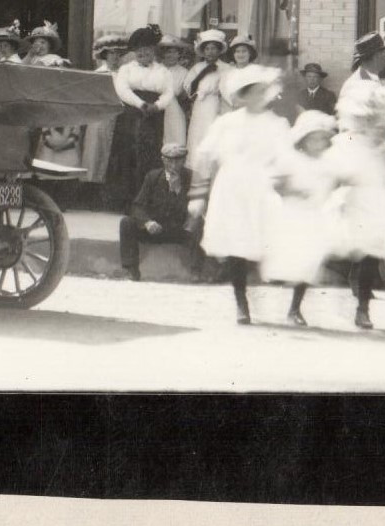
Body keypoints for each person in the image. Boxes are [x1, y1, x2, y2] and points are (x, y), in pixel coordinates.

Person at [197, 64, 288, 324]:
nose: (260, 97)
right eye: (254, 92)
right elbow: (205, 155)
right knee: (236, 244)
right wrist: (198, 193)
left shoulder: (276, 124)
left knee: (264, 241)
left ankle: (282, 299)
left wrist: (283, 183)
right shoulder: (227, 123)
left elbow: (285, 159)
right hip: (232, 189)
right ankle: (241, 302)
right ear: (243, 96)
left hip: (262, 188)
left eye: (262, 91)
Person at [320, 84, 385, 329]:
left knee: (370, 255)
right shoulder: (349, 138)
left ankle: (362, 309)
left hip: (378, 201)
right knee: (352, 250)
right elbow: (336, 163)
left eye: (375, 119)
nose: (372, 124)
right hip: (354, 199)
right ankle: (350, 285)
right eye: (365, 118)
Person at [265, 111, 339, 326]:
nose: (318, 144)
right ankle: (278, 280)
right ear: (303, 140)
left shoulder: (326, 163)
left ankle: (295, 308)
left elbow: (331, 185)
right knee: (288, 257)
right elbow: (276, 184)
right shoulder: (291, 160)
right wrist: (294, 192)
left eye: (322, 139)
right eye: (313, 139)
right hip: (291, 214)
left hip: (313, 217)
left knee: (307, 262)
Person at [111, 25, 185, 205]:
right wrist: (140, 104)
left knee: (150, 152)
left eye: (147, 49)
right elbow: (122, 89)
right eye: (139, 50)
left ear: (154, 51)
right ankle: (126, 199)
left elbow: (168, 92)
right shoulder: (126, 69)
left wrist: (157, 106)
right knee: (128, 152)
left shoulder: (162, 71)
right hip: (131, 112)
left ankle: (147, 199)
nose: (143, 53)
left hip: (154, 114)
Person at [118, 146, 195, 281]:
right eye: (169, 161)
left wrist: (178, 191)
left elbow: (196, 207)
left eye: (178, 161)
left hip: (180, 230)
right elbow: (137, 205)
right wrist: (147, 222)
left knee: (201, 224)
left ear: (184, 161)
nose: (174, 166)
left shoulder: (191, 178)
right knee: (126, 222)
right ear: (163, 160)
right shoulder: (153, 177)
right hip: (156, 229)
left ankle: (196, 272)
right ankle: (131, 270)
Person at [180, 29, 231, 159]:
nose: (210, 52)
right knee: (198, 133)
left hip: (216, 104)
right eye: (207, 49)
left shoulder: (226, 68)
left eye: (213, 48)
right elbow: (189, 88)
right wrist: (203, 73)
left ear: (219, 50)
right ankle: (196, 165)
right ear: (203, 51)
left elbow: (228, 89)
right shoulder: (197, 67)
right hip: (200, 105)